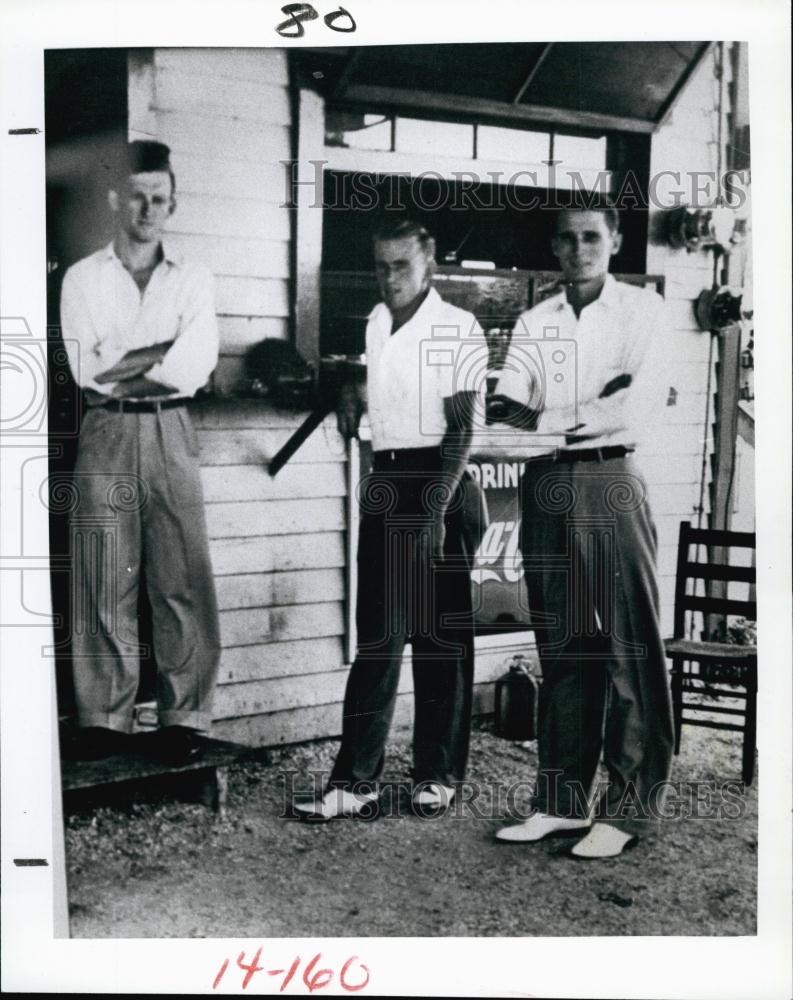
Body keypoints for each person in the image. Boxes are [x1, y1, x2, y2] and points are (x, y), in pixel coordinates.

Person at [492, 198, 674, 858]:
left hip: (608, 479)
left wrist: (556, 410)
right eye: (565, 240)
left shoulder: (642, 313)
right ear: (554, 247)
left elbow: (633, 404)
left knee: (627, 646)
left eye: (590, 237)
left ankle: (627, 810)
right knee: (564, 647)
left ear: (615, 241)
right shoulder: (533, 319)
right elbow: (509, 409)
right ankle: (560, 802)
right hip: (544, 483)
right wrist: (585, 404)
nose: (577, 249)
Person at [294, 217, 485, 820]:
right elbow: (386, 381)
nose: (389, 277)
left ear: (428, 263)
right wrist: (351, 386)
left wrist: (433, 508)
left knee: (440, 641)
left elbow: (463, 427)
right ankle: (356, 783)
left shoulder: (457, 327)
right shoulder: (378, 322)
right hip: (389, 481)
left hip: (442, 484)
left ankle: (438, 775)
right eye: (381, 265)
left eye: (401, 265)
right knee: (378, 637)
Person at [60, 141, 221, 764]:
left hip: (170, 431)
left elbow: (196, 360)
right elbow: (85, 369)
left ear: (172, 203)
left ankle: (184, 716)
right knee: (104, 574)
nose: (148, 208)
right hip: (104, 431)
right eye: (136, 196)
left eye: (159, 197)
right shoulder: (82, 277)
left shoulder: (195, 277)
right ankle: (104, 717)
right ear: (114, 200)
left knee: (181, 577)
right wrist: (158, 351)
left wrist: (132, 356)